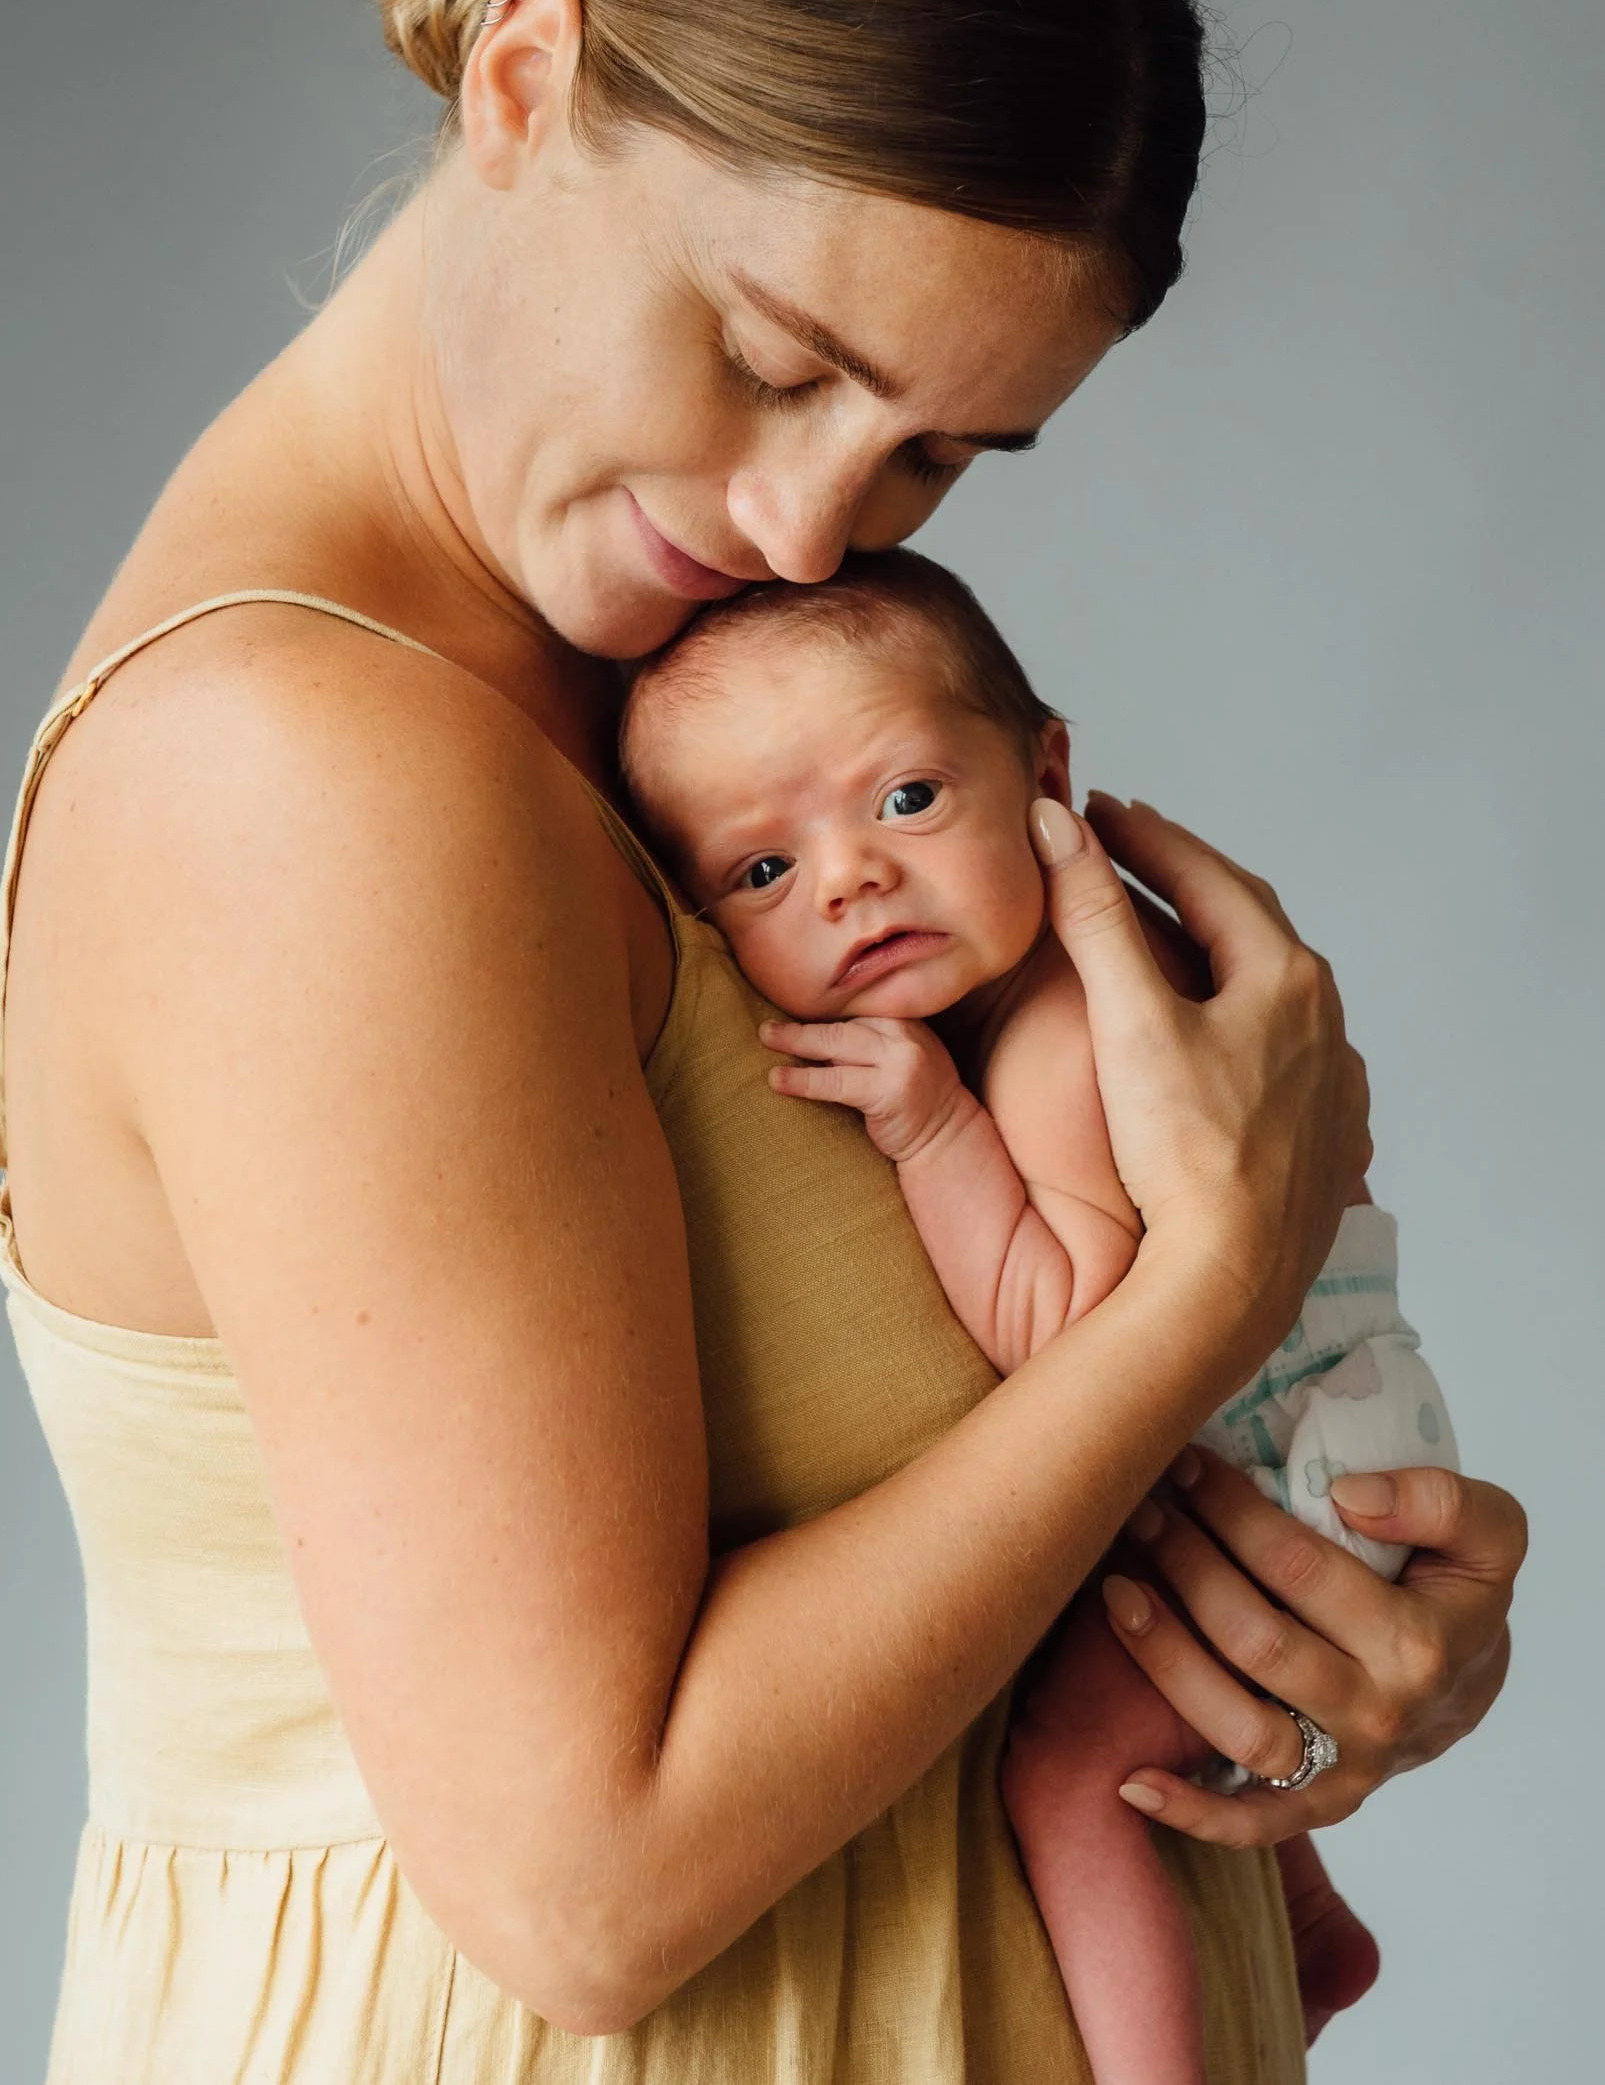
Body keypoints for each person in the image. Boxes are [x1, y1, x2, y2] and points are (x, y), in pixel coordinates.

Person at [0, 0, 1524, 2084]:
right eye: (768, 356)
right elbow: (584, 1880)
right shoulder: (317, 779)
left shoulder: (626, 660)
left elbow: (951, 1529)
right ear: (521, 77)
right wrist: (1201, 1291)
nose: (808, 528)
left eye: (932, 455)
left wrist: (1324, 1611)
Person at [617, 545, 1463, 2071]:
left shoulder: (1072, 1035)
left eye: (907, 800)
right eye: (762, 871)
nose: (850, 877)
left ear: (1046, 769)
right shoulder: (1097, 968)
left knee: (1070, 1778)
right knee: (1106, 1629)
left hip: (1288, 1464)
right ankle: (1314, 1923)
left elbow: (1080, 1357)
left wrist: (933, 1133)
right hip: (1329, 1426)